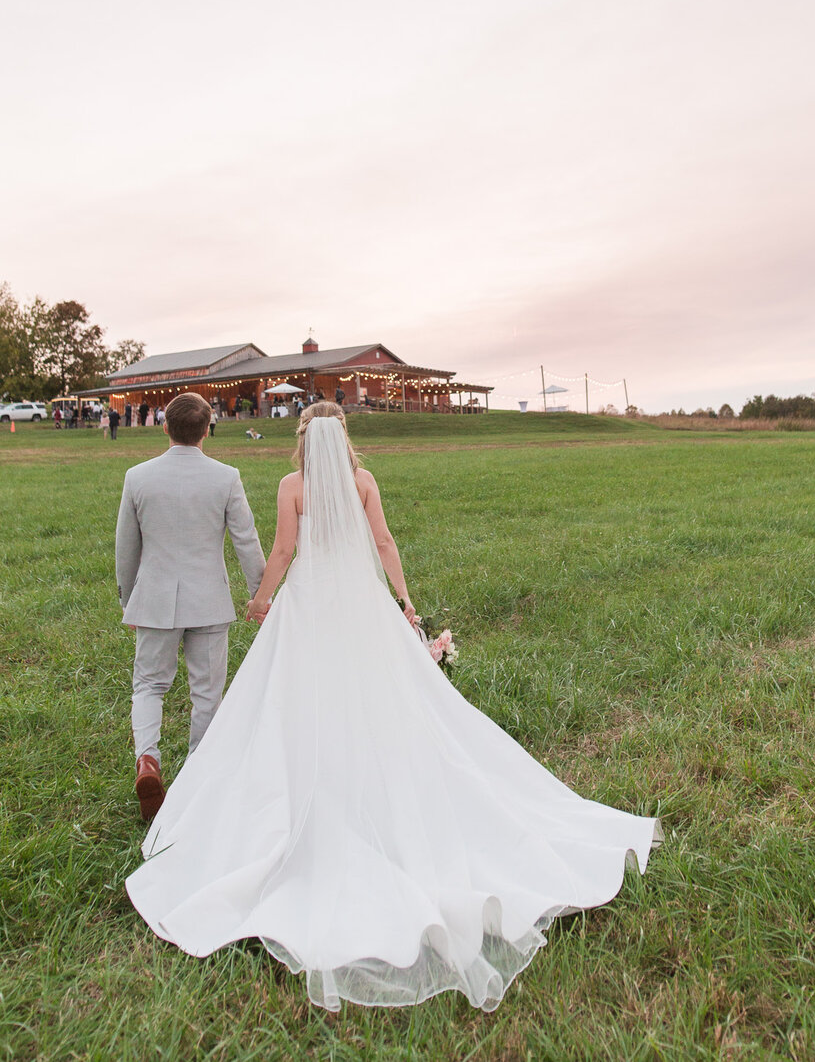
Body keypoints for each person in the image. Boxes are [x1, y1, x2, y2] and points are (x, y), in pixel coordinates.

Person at [126, 404, 660, 1015]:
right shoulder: (363, 482)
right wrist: (404, 602)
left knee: (291, 707)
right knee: (385, 701)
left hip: (311, 606)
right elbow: (382, 540)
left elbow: (281, 549)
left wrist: (263, 599)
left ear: (302, 441)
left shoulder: (291, 486)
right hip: (362, 603)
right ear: (343, 439)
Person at [115, 393, 266, 822]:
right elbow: (246, 541)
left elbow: (126, 548)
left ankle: (148, 759)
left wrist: (131, 601)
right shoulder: (226, 477)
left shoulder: (137, 477)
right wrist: (259, 596)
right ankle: (198, 775)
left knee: (148, 685)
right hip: (209, 601)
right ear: (207, 430)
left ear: (165, 427)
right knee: (207, 694)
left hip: (156, 600)